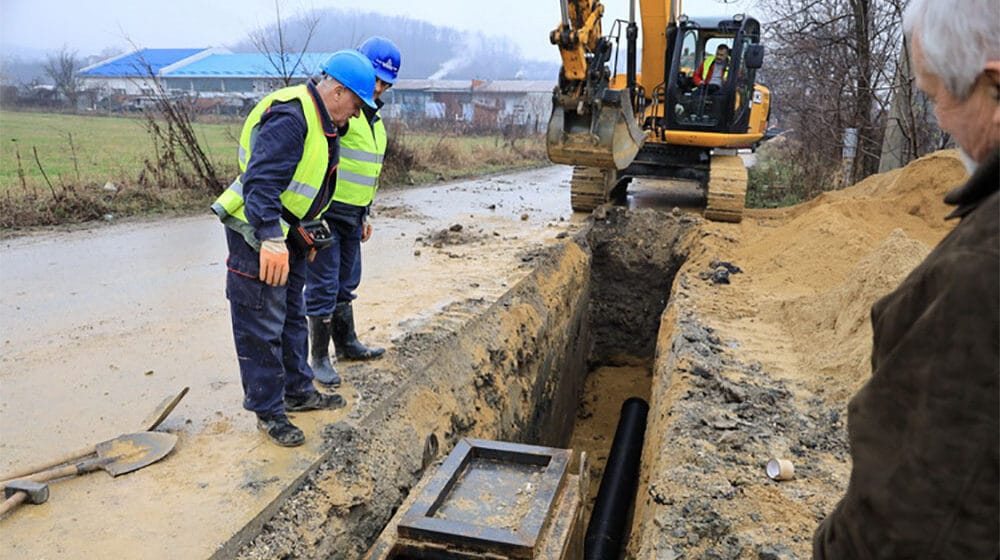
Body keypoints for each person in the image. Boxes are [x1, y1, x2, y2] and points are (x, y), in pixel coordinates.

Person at [813, 0, 999, 556]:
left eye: (935, 94)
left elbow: (904, 529)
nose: (937, 118)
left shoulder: (980, 274)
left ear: (992, 85)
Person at [211, 50, 377, 447]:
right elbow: (261, 184)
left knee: (290, 315)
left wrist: (306, 233)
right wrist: (270, 238)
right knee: (261, 321)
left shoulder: (324, 123)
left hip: (291, 230)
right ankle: (269, 412)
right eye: (355, 104)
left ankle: (298, 392)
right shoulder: (292, 116)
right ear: (337, 91)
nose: (356, 115)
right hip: (260, 230)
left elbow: (309, 185)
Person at [304, 37, 401, 386]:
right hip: (326, 210)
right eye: (374, 79)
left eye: (384, 83)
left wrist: (365, 214)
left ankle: (346, 344)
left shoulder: (373, 120)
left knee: (347, 281)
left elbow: (368, 170)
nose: (377, 88)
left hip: (353, 214)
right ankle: (317, 358)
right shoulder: (342, 112)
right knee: (323, 284)